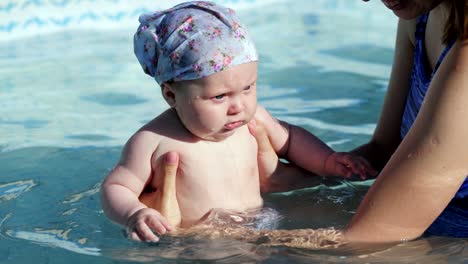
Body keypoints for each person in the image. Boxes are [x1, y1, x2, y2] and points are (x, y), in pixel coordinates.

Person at [158, 0, 468, 243]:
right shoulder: (419, 17)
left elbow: (376, 236)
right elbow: (383, 150)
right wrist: (282, 178)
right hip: (413, 222)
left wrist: (200, 239)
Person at [100, 1, 376, 243]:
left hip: (264, 220)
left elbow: (290, 140)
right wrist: (134, 213)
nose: (238, 106)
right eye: (219, 96)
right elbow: (117, 187)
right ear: (171, 95)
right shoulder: (153, 140)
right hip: (202, 241)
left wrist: (327, 162)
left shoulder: (252, 119)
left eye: (248, 88)